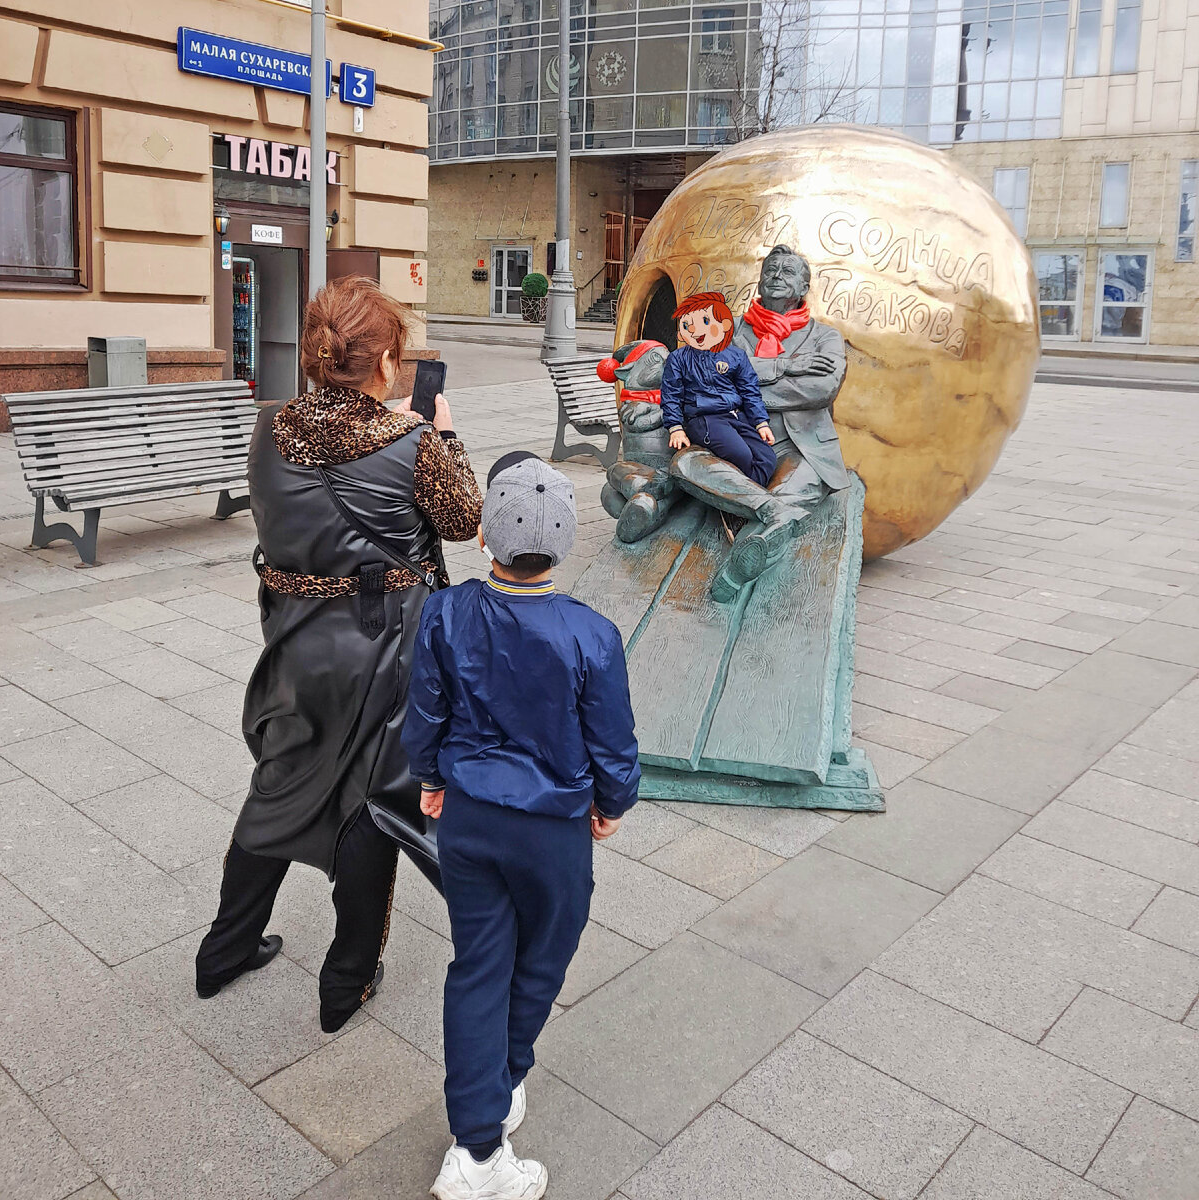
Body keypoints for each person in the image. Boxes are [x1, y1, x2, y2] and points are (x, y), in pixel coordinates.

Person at [194, 275, 483, 1034]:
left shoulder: (270, 427)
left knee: (279, 782)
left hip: (294, 641)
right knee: (368, 804)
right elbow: (465, 521)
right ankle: (344, 983)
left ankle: (222, 952)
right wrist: (443, 431)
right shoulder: (413, 442)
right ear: (384, 360)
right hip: (383, 647)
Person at [403, 452, 641, 1200]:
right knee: (542, 956)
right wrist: (612, 802)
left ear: (483, 536)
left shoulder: (447, 613)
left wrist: (434, 779)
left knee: (477, 964)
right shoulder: (590, 634)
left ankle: (480, 1130)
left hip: (470, 819)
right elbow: (614, 742)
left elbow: (425, 713)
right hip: (552, 827)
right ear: (567, 543)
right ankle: (491, 1112)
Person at [668, 246, 850, 600]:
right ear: (760, 280)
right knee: (686, 462)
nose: (777, 275)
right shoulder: (723, 327)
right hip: (727, 440)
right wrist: (786, 367)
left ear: (804, 286)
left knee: (797, 487)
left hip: (800, 447)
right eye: (771, 269)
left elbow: (822, 388)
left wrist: (741, 380)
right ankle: (772, 516)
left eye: (787, 271)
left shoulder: (826, 338)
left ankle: (748, 556)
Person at [659, 291, 776, 488]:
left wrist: (761, 423)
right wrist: (675, 428)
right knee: (740, 454)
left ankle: (740, 499)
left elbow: (750, 390)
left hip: (736, 416)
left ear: (724, 326)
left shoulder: (736, 356)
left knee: (767, 458)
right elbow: (671, 394)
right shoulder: (678, 359)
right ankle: (745, 501)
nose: (695, 331)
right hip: (704, 419)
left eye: (704, 321)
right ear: (680, 332)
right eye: (687, 325)